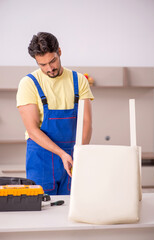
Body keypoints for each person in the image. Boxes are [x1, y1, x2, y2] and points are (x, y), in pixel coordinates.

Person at [16, 32, 94, 195]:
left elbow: (86, 122)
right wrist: (61, 154)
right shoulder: (28, 83)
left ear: (59, 51)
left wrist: (79, 154)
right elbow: (32, 130)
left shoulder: (78, 80)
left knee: (72, 209)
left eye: (52, 61)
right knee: (42, 211)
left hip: (73, 157)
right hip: (41, 159)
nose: (49, 69)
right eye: (42, 65)